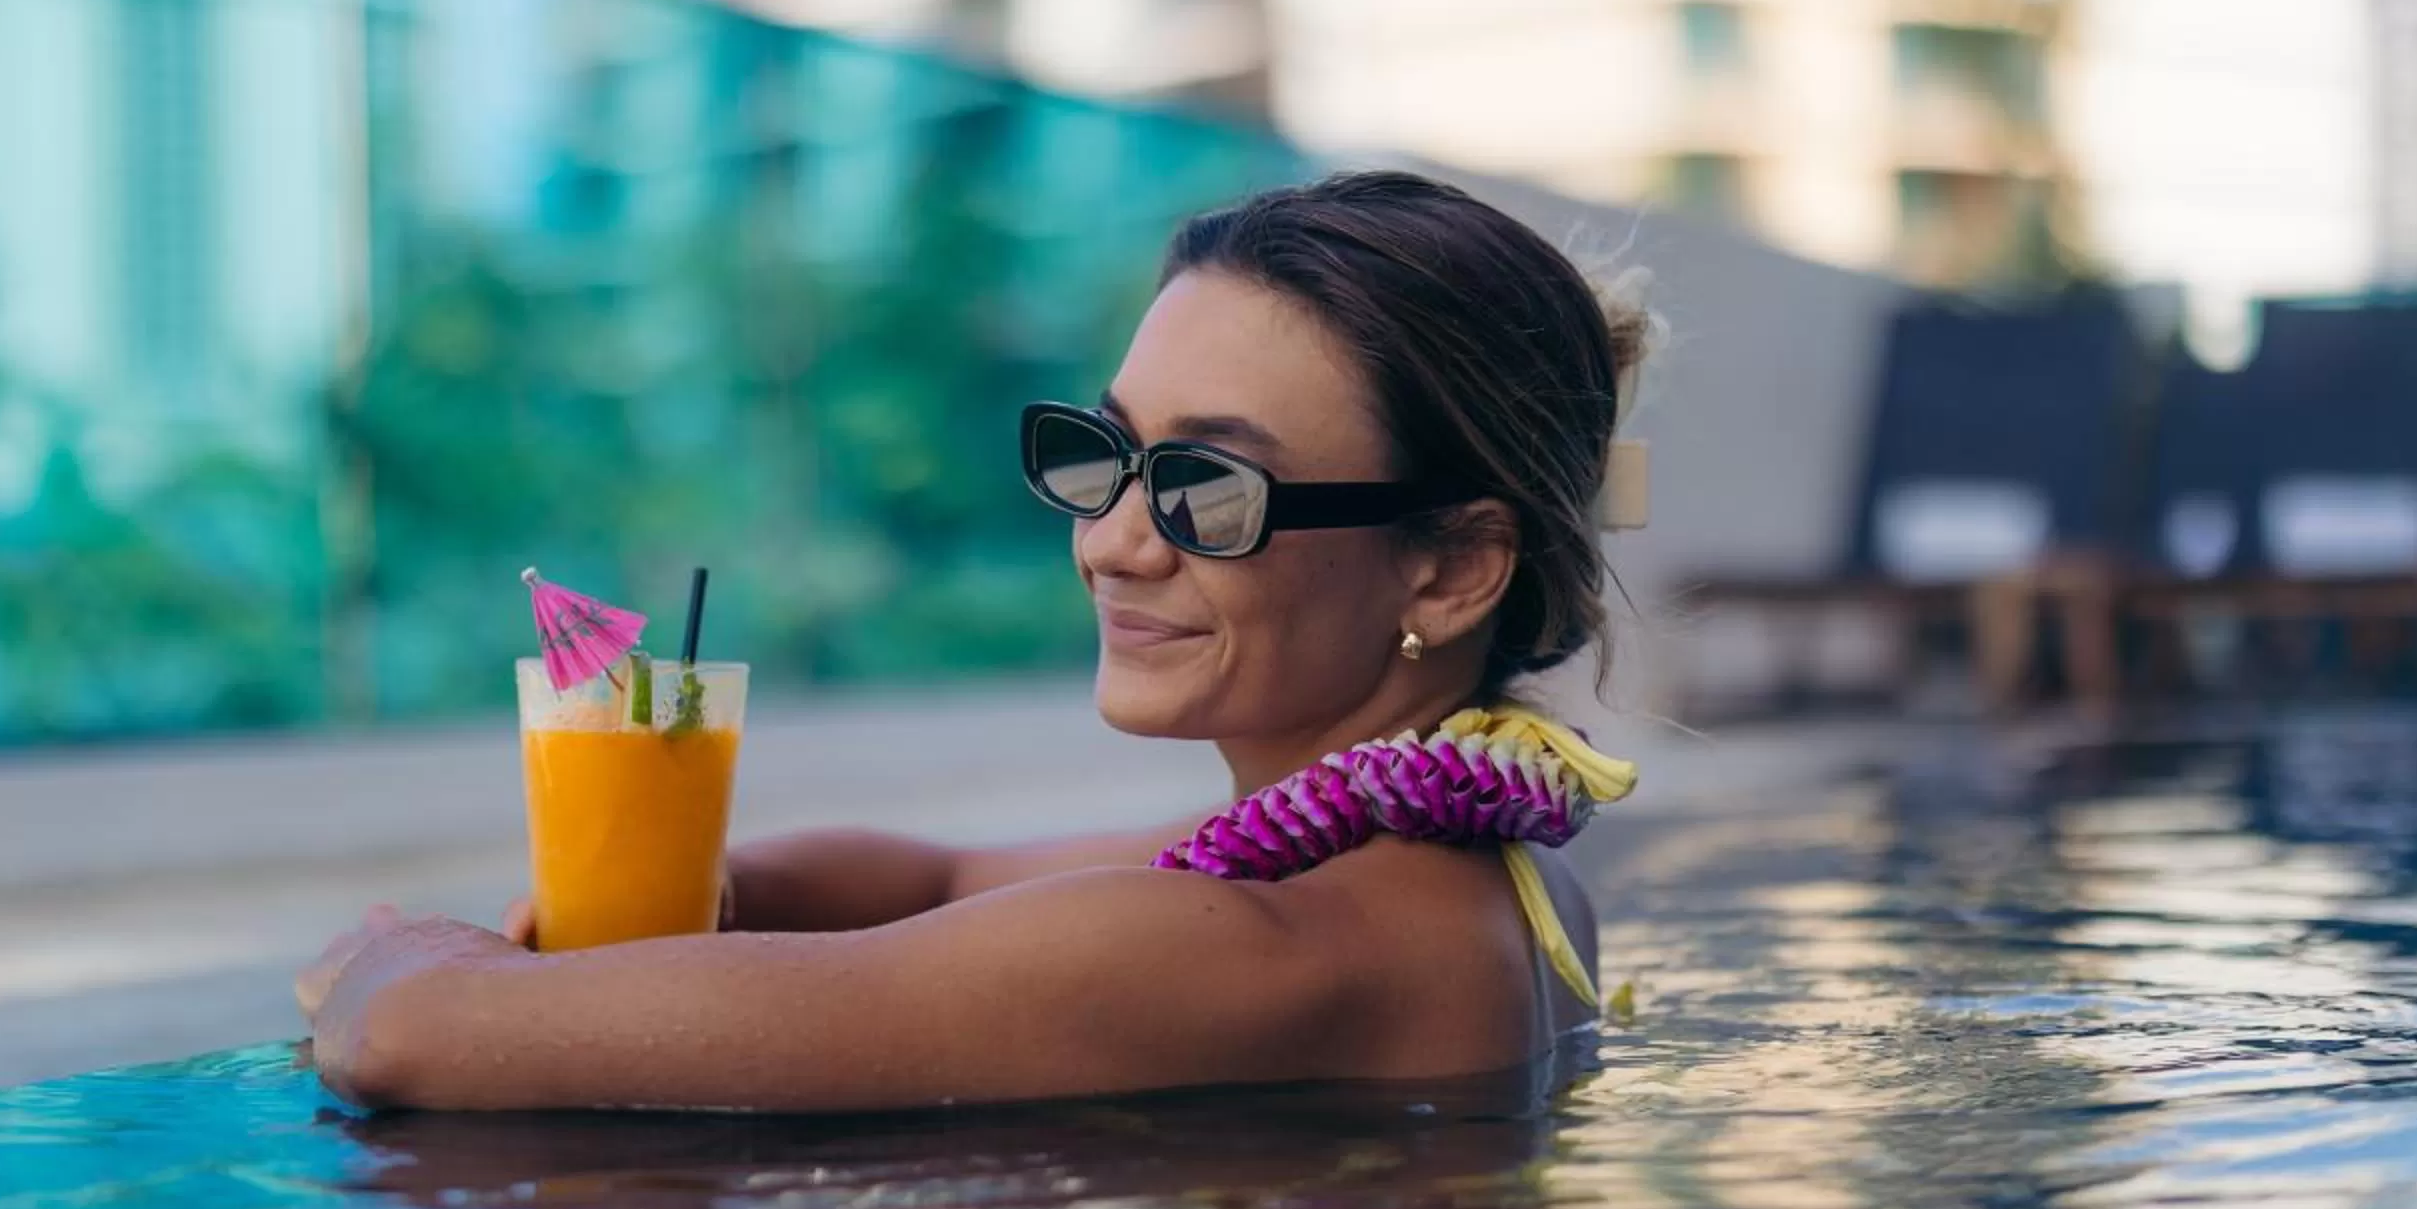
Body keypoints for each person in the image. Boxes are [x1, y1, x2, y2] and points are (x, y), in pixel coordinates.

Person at [301, 170, 1651, 1112]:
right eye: (1112, 454)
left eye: (1210, 487)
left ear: (1452, 569)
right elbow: (937, 875)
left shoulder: (1257, 945)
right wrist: (699, 898)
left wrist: (398, 960)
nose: (1114, 542)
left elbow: (414, 1037)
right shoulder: (1457, 885)